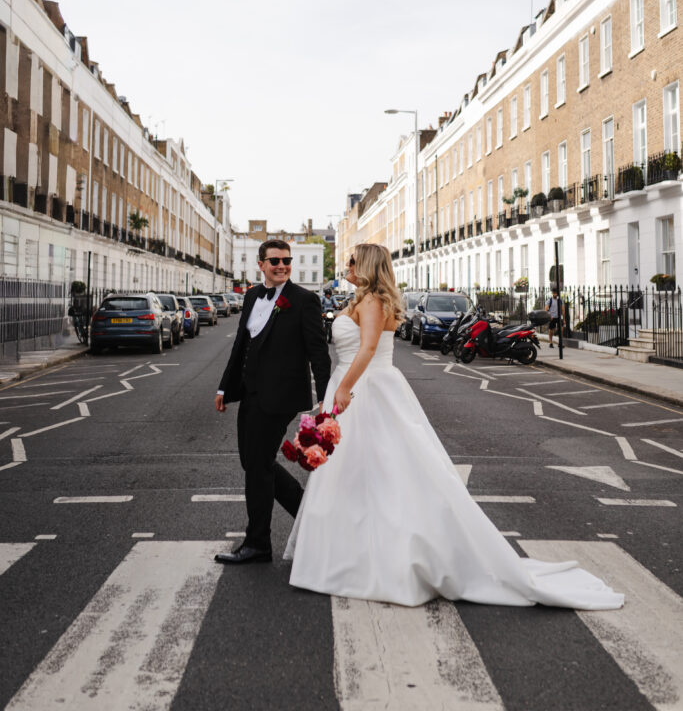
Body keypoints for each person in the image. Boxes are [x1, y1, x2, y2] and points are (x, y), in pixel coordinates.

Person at [284, 243, 623, 610]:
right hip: (356, 383)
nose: (345, 265)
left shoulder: (372, 302)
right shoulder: (361, 299)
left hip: (367, 387)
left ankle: (374, 556)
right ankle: (353, 549)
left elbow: (367, 349)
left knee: (383, 471)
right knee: (357, 473)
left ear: (366, 266)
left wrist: (346, 388)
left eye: (351, 260)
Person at [214, 238, 331, 564]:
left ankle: (258, 543)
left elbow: (318, 353)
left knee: (257, 466)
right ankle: (310, 518)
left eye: (286, 261)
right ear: (261, 265)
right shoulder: (252, 296)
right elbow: (241, 345)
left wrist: (325, 400)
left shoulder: (304, 300)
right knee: (255, 464)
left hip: (281, 397)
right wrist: (225, 388)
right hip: (250, 394)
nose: (282, 266)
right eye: (275, 261)